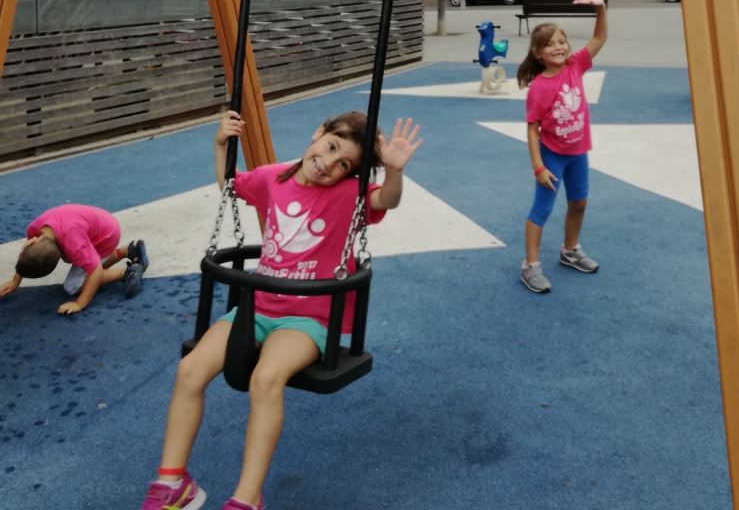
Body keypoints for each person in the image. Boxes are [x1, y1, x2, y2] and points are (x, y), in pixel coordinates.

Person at [140, 108, 423, 510]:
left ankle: (247, 499)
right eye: (331, 147)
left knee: (266, 377)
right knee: (190, 370)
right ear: (318, 132)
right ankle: (173, 484)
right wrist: (221, 145)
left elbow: (386, 200)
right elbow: (231, 186)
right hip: (258, 305)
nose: (328, 164)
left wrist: (393, 171)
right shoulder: (273, 177)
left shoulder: (349, 195)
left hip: (308, 318)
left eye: (344, 164)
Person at [516, 0, 607, 294]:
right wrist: (538, 167)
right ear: (538, 53)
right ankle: (530, 265)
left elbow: (599, 37)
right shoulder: (539, 87)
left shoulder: (575, 65)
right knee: (541, 210)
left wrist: (600, 9)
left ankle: (570, 250)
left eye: (562, 41)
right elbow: (532, 130)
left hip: (578, 152)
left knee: (579, 204)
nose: (558, 47)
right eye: (550, 44)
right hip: (552, 156)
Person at [0, 204, 149, 313]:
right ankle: (128, 251)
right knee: (87, 262)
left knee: (73, 286)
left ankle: (128, 271)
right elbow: (30, 255)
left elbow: (96, 271)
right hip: (103, 222)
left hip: (106, 237)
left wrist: (80, 303)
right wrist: (15, 281)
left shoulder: (73, 243)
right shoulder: (34, 230)